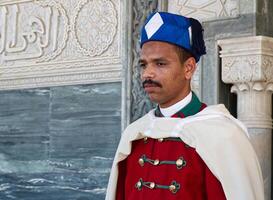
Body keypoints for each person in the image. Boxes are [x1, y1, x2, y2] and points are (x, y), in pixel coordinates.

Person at [106, 12, 264, 200]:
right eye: (143, 64)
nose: (147, 74)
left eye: (160, 63)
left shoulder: (223, 136)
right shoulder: (134, 135)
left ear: (188, 68)